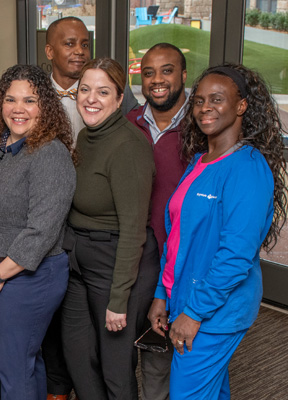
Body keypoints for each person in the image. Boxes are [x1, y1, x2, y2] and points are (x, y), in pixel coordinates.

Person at [148, 64, 287, 399]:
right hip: (186, 297)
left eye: (217, 99)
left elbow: (236, 256)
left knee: (187, 393)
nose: (205, 107)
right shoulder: (199, 161)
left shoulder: (248, 168)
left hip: (215, 311)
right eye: (198, 100)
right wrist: (161, 295)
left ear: (241, 106)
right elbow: (178, 237)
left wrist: (194, 313)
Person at [0, 64, 76, 400]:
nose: (18, 108)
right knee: (25, 363)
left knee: (14, 370)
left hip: (31, 276)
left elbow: (41, 231)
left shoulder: (50, 154)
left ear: (45, 107)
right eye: (11, 99)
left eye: (29, 100)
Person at [60, 58, 159, 399]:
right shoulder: (87, 136)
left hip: (114, 260)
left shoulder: (128, 145)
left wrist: (119, 300)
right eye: (84, 90)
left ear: (119, 99)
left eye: (103, 92)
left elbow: (134, 230)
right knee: (77, 354)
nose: (91, 99)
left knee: (114, 367)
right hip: (78, 259)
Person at [126, 42, 190, 400]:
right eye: (148, 72)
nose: (157, 80)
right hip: (142, 253)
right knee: (147, 339)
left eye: (167, 70)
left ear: (183, 75)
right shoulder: (129, 123)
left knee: (177, 352)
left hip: (183, 258)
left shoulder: (203, 126)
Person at [45, 16, 139, 144]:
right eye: (69, 44)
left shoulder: (115, 89)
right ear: (50, 51)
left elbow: (139, 129)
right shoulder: (35, 92)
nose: (79, 51)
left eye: (85, 45)